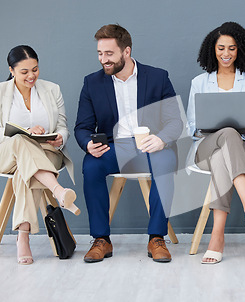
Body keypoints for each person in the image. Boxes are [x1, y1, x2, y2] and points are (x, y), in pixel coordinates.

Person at [75, 24, 182, 263]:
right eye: (100, 54)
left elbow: (176, 120)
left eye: (109, 54)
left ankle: (156, 238)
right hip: (113, 148)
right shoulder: (92, 83)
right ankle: (101, 239)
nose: (104, 60)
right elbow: (82, 127)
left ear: (126, 51)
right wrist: (87, 144)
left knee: (165, 160)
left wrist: (162, 138)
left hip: (149, 146)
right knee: (91, 165)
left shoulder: (157, 77)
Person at [186, 22, 245, 264]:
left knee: (223, 152)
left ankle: (217, 237)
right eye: (221, 48)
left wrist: (243, 127)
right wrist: (211, 127)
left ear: (240, 50)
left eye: (232, 49)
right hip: (205, 146)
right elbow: (191, 127)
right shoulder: (199, 82)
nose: (226, 54)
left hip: (244, 146)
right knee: (224, 135)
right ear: (212, 50)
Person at [0, 45, 76, 265]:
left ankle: (22, 237)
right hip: (5, 154)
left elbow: (63, 125)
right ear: (11, 70)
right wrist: (24, 133)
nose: (31, 75)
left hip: (47, 152)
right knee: (21, 141)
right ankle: (58, 190)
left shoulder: (52, 89)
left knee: (27, 172)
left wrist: (60, 137)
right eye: (24, 72)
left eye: (35, 69)